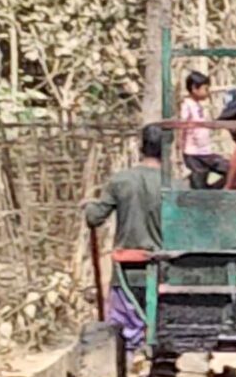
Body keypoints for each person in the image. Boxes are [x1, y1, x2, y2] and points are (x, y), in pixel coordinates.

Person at [85, 126, 168, 348]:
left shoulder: (121, 181)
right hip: (164, 273)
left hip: (127, 273)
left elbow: (95, 217)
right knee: (164, 335)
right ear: (166, 150)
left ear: (141, 148)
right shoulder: (175, 185)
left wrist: (89, 207)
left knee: (123, 337)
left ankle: (128, 376)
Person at [178, 70, 226, 189]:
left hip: (205, 152)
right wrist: (180, 148)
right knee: (199, 185)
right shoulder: (187, 105)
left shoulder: (197, 105)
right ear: (194, 88)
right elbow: (181, 126)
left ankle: (213, 192)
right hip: (193, 152)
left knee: (231, 169)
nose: (208, 92)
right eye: (205, 89)